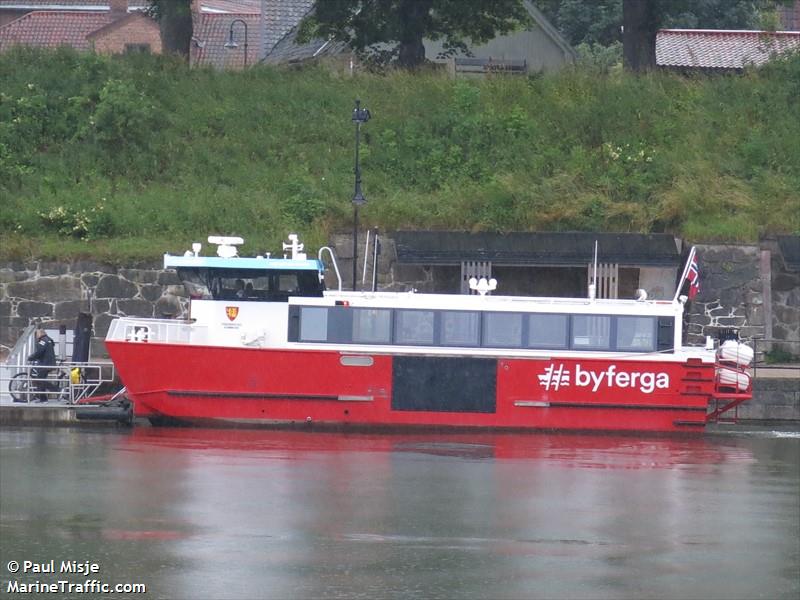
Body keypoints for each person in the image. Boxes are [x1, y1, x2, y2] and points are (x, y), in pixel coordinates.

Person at [27, 328, 56, 402]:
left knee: (40, 380)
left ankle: (54, 389)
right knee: (40, 379)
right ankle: (42, 398)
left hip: (45, 364)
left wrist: (30, 357)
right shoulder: (48, 339)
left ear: (40, 334)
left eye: (36, 334)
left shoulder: (43, 341)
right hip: (49, 363)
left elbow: (39, 352)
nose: (36, 336)